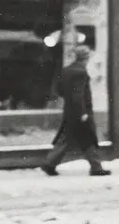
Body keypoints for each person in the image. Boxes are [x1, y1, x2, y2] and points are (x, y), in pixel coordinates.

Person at [41, 45, 110, 177]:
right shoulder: (81, 72)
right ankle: (96, 168)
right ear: (86, 57)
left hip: (70, 111)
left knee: (71, 139)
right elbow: (78, 95)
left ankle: (50, 164)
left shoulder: (67, 70)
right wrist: (82, 112)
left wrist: (70, 101)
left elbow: (60, 90)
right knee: (87, 138)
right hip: (80, 113)